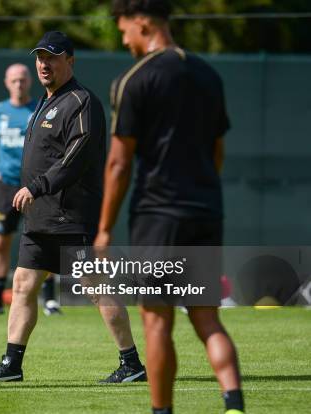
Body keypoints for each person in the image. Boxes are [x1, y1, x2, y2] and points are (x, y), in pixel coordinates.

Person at [96, 1, 244, 413]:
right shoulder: (208, 75)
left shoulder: (135, 80)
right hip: (206, 211)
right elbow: (218, 150)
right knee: (207, 319)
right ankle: (233, 404)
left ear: (142, 23)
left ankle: (162, 411)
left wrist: (105, 230)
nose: (124, 40)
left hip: (158, 217)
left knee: (157, 321)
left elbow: (119, 162)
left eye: (125, 30)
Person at [0, 31, 144, 383]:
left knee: (96, 287)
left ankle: (131, 364)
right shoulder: (44, 102)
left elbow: (76, 156)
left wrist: (37, 186)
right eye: (40, 57)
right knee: (22, 284)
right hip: (40, 218)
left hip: (71, 217)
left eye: (52, 57)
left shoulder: (82, 102)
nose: (43, 64)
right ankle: (11, 365)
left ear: (70, 60)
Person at [0, 63, 61, 315]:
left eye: (22, 79)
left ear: (29, 81)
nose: (18, 84)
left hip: (37, 186)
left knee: (46, 239)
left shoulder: (42, 109)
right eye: (14, 80)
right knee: (0, 242)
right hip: (6, 186)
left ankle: (50, 300)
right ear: (6, 82)